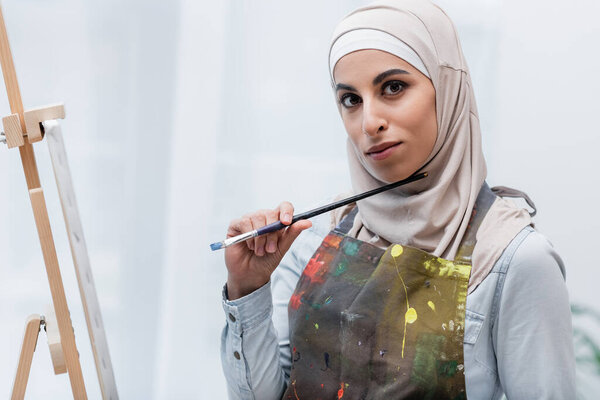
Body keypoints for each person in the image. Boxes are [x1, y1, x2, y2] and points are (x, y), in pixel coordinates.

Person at [220, 0, 576, 398]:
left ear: (446, 89)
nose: (369, 122)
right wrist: (247, 288)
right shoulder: (317, 235)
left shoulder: (514, 260)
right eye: (351, 100)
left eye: (393, 87)